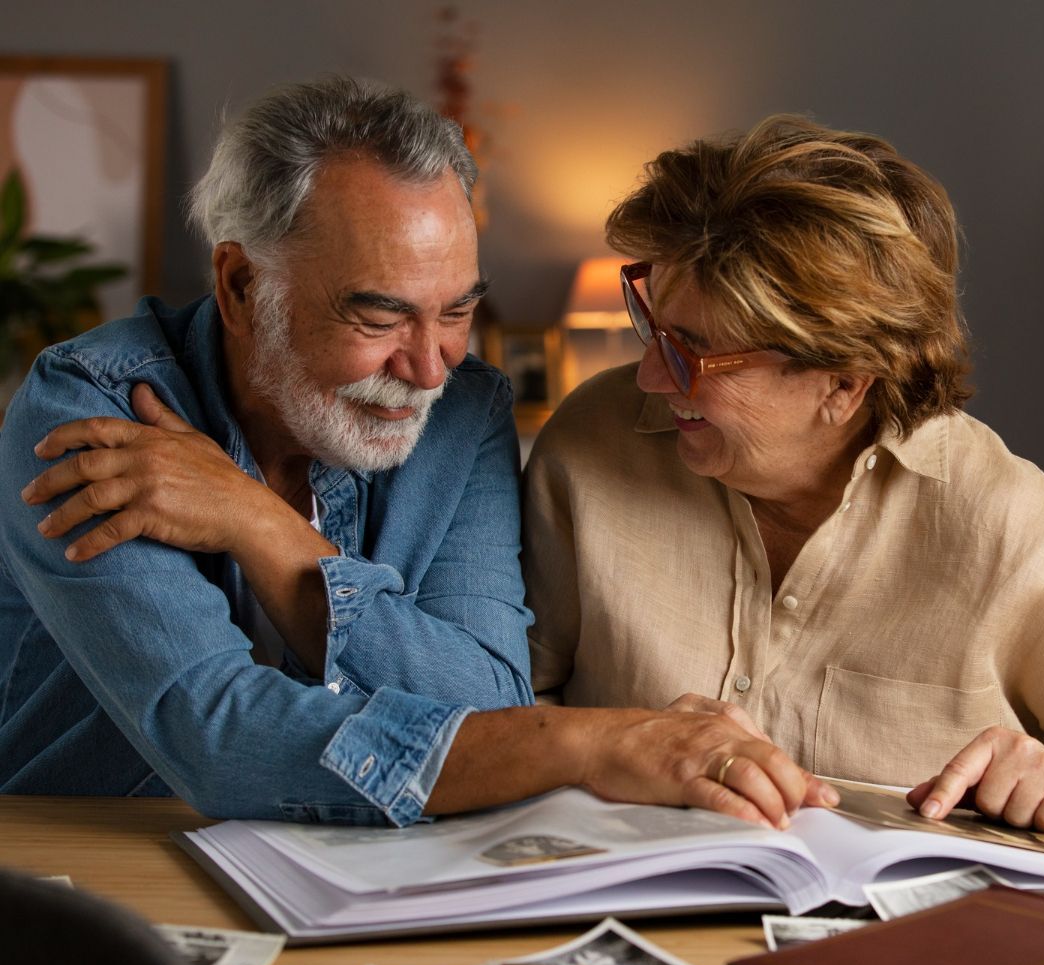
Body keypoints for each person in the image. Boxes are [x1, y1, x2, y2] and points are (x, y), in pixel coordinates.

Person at [0, 79, 826, 830]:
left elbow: (484, 696)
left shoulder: (466, 409)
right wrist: (588, 746)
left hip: (360, 875)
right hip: (98, 861)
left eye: (457, 312)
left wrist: (256, 524)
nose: (429, 368)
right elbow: (221, 738)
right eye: (379, 318)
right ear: (243, 287)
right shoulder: (91, 408)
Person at [523, 114, 1044, 833]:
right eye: (652, 324)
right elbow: (487, 709)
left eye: (691, 352)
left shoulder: (1001, 520)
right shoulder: (593, 445)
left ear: (843, 382)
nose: (651, 376)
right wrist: (610, 742)